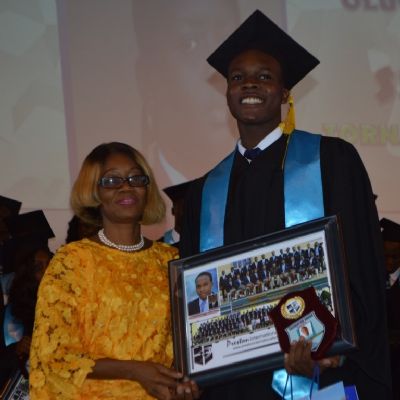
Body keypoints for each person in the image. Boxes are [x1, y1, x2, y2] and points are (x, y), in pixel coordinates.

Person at [181, 10, 391, 399]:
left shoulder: (331, 161)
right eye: (237, 77)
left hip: (319, 378)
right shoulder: (205, 191)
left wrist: (334, 351)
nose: (249, 84)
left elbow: (363, 268)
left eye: (264, 76)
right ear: (226, 93)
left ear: (284, 93)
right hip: (233, 386)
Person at [29, 142, 199, 400]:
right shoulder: (73, 260)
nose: (126, 186)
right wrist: (134, 371)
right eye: (111, 180)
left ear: (146, 188)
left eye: (136, 178)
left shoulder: (171, 260)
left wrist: (185, 383)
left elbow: (188, 344)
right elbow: (54, 354)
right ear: (93, 192)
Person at [380, 218, 400, 400]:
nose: (389, 262)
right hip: (379, 359)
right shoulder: (373, 279)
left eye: (395, 256)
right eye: (385, 256)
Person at [161, 181, 192, 249]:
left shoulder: (203, 242)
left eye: (191, 207)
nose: (187, 211)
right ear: (173, 211)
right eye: (183, 207)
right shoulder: (159, 247)